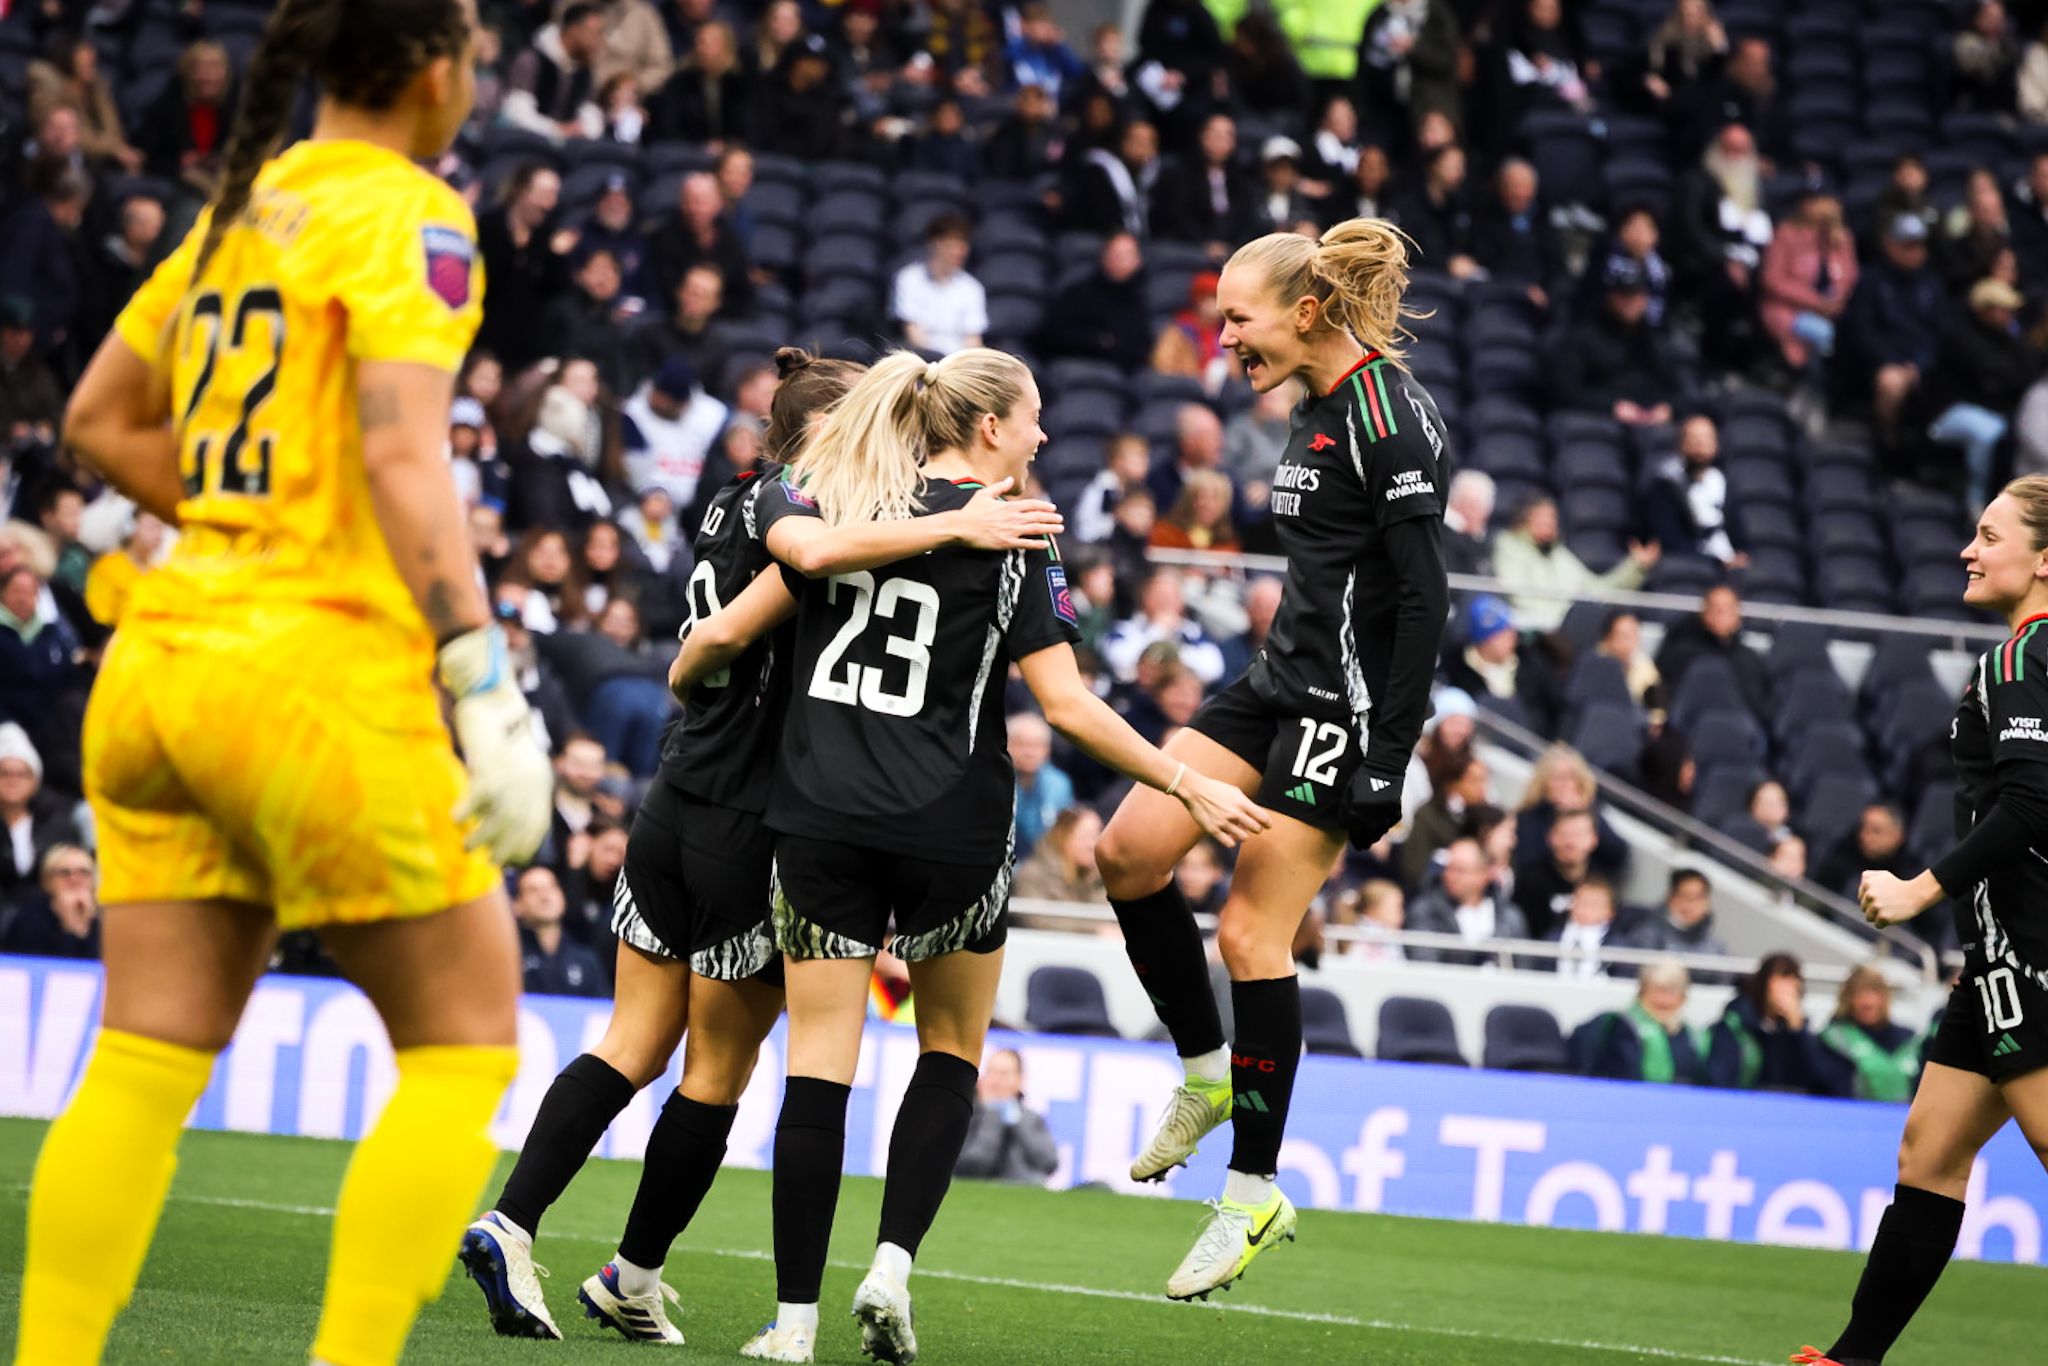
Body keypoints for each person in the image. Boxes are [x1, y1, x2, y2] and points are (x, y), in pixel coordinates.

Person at [25, 6, 562, 1366]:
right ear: (437, 69)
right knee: (465, 1045)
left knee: (145, 1056)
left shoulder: (234, 214)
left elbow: (95, 420)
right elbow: (399, 451)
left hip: (158, 669)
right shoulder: (416, 214)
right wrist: (480, 665)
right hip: (310, 674)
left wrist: (239, 518)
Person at [666, 346, 1266, 1359]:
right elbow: (1066, 704)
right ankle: (893, 1265)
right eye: (1032, 417)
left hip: (818, 822)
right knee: (948, 1050)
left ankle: (794, 1324)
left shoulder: (841, 505)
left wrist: (690, 695)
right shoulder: (1018, 535)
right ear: (989, 428)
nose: (1040, 435)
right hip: (951, 829)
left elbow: (722, 634)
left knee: (817, 1070)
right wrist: (1186, 779)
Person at [464, 348, 1066, 1343]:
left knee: (631, 1042)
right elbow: (819, 565)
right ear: (828, 433)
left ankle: (515, 1219)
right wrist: (958, 519)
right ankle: (633, 1272)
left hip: (675, 794)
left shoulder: (732, 500)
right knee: (712, 1074)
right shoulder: (810, 510)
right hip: (758, 820)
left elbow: (704, 648)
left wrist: (694, 672)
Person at [1091, 219, 1451, 1299]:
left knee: (1251, 931)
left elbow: (1424, 599)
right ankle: (1204, 1073)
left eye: (1235, 319)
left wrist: (1385, 759)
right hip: (1271, 682)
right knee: (1126, 851)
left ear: (1303, 313)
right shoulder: (1311, 400)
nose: (1222, 340)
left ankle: (1250, 1190)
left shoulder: (1391, 416)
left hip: (1341, 712)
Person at [1795, 475, 2048, 1362]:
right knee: (1930, 1151)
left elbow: (2027, 807)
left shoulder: (2021, 660)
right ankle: (1852, 1357)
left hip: (2028, 947)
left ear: (2044, 559)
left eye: (1989, 536)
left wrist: (1918, 891)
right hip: (1997, 956)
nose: (1969, 551)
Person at [1927, 279, 2041, 515]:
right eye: (2003, 308)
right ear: (1983, 309)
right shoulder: (1959, 336)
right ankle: (1975, 502)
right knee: (1988, 431)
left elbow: (2027, 373)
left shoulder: (2007, 338)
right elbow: (1989, 373)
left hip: (1991, 409)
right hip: (1946, 413)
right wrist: (2005, 381)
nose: (2009, 314)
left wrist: (2005, 381)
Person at [1842, 215, 1949, 450]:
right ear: (1889, 244)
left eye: (1918, 245)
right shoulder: (1871, 280)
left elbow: (1940, 332)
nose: (1913, 251)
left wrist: (1919, 363)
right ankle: (1887, 442)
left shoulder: (1931, 284)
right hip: (1885, 360)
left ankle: (1929, 452)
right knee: (1891, 383)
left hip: (1924, 361)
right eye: (1906, 245)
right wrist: (1896, 361)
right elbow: (1862, 331)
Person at [1490, 495, 1657, 631]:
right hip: (1531, 631)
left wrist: (1635, 566)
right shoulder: (1509, 546)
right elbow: (1516, 593)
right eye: (1542, 518)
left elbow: (1597, 591)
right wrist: (1562, 617)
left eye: (1552, 519)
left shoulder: (1559, 554)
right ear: (1523, 521)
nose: (1549, 525)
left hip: (1567, 631)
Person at [1556, 261, 1686, 422]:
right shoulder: (1583, 337)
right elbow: (1565, 391)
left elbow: (1682, 388)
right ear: (1611, 297)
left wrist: (1669, 407)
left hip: (1652, 423)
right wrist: (1611, 407)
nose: (1630, 302)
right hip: (1599, 420)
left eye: (1636, 295)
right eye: (1624, 295)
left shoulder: (1657, 339)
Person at [1706, 953, 1836, 1093]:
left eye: (1793, 981)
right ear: (1764, 983)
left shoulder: (1796, 1033)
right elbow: (1720, 1076)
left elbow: (1823, 1081)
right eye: (1781, 979)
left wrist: (1798, 1029)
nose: (1788, 990)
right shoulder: (1736, 1025)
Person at [1573, 958, 1707, 1083]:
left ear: (1683, 997)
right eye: (1658, 991)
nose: (1664, 1000)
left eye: (1672, 993)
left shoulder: (1692, 1036)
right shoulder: (1623, 1027)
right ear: (1642, 992)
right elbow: (1626, 1075)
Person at [1644, 412, 1750, 567]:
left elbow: (1739, 534)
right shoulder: (1665, 485)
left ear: (1715, 445)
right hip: (1691, 565)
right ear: (1681, 444)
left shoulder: (1723, 484)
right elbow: (1670, 539)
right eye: (1693, 439)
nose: (1700, 445)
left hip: (1727, 563)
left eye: (1706, 439)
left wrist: (1741, 555)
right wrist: (1714, 562)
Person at [1405, 835, 1527, 967]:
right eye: (1449, 868)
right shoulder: (1426, 912)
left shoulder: (1509, 916)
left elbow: (1524, 966)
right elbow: (1424, 961)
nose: (1451, 876)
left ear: (1483, 875)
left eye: (1460, 870)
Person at [1655, 584, 1770, 718]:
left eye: (1727, 609)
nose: (1721, 615)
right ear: (1705, 613)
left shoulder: (1748, 659)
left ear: (1738, 616)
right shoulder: (1682, 650)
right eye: (1716, 609)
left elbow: (1757, 704)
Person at [953, 1048, 1061, 1184]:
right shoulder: (965, 1116)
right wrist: (992, 1116)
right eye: (991, 1072)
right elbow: (973, 1165)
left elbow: (1049, 1163)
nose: (995, 1081)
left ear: (1019, 1080)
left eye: (1004, 1074)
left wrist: (1018, 1123)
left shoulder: (1030, 1119)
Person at [1818, 964, 1923, 1104]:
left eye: (1875, 992)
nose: (1868, 1002)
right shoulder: (1833, 1039)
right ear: (1847, 998)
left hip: (1903, 1119)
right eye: (1859, 993)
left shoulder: (1908, 1040)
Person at [892, 214, 988, 358]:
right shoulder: (908, 279)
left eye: (963, 246)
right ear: (935, 243)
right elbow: (914, 335)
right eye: (953, 245)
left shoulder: (973, 288)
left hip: (959, 366)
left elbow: (973, 341)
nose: (959, 252)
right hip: (922, 362)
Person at [513, 865, 609, 998]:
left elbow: (602, 1011)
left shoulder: (587, 959)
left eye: (551, 887)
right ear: (517, 905)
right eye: (533, 890)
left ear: (563, 898)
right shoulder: (509, 957)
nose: (545, 896)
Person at [0, 841, 100, 959]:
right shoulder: (29, 919)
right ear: (48, 881)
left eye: (84, 872)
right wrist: (70, 927)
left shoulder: (103, 919)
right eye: (65, 872)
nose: (75, 879)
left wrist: (82, 929)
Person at [1012, 805, 1106, 915]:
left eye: (1097, 835)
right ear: (1063, 836)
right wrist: (1096, 930)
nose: (1092, 845)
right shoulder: (1032, 876)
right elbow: (1039, 919)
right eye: (1086, 836)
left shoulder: (1101, 878)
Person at [1009, 711, 1075, 857]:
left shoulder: (1060, 785)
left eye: (1036, 745)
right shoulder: (995, 782)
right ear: (1007, 746)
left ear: (1047, 750)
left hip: (1045, 863)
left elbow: (1063, 833)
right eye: (1021, 744)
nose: (1029, 752)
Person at [1656, 868, 1728, 957]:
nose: (1691, 906)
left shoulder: (1716, 948)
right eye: (1686, 897)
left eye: (1698, 898)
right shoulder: (1648, 933)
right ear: (1671, 897)